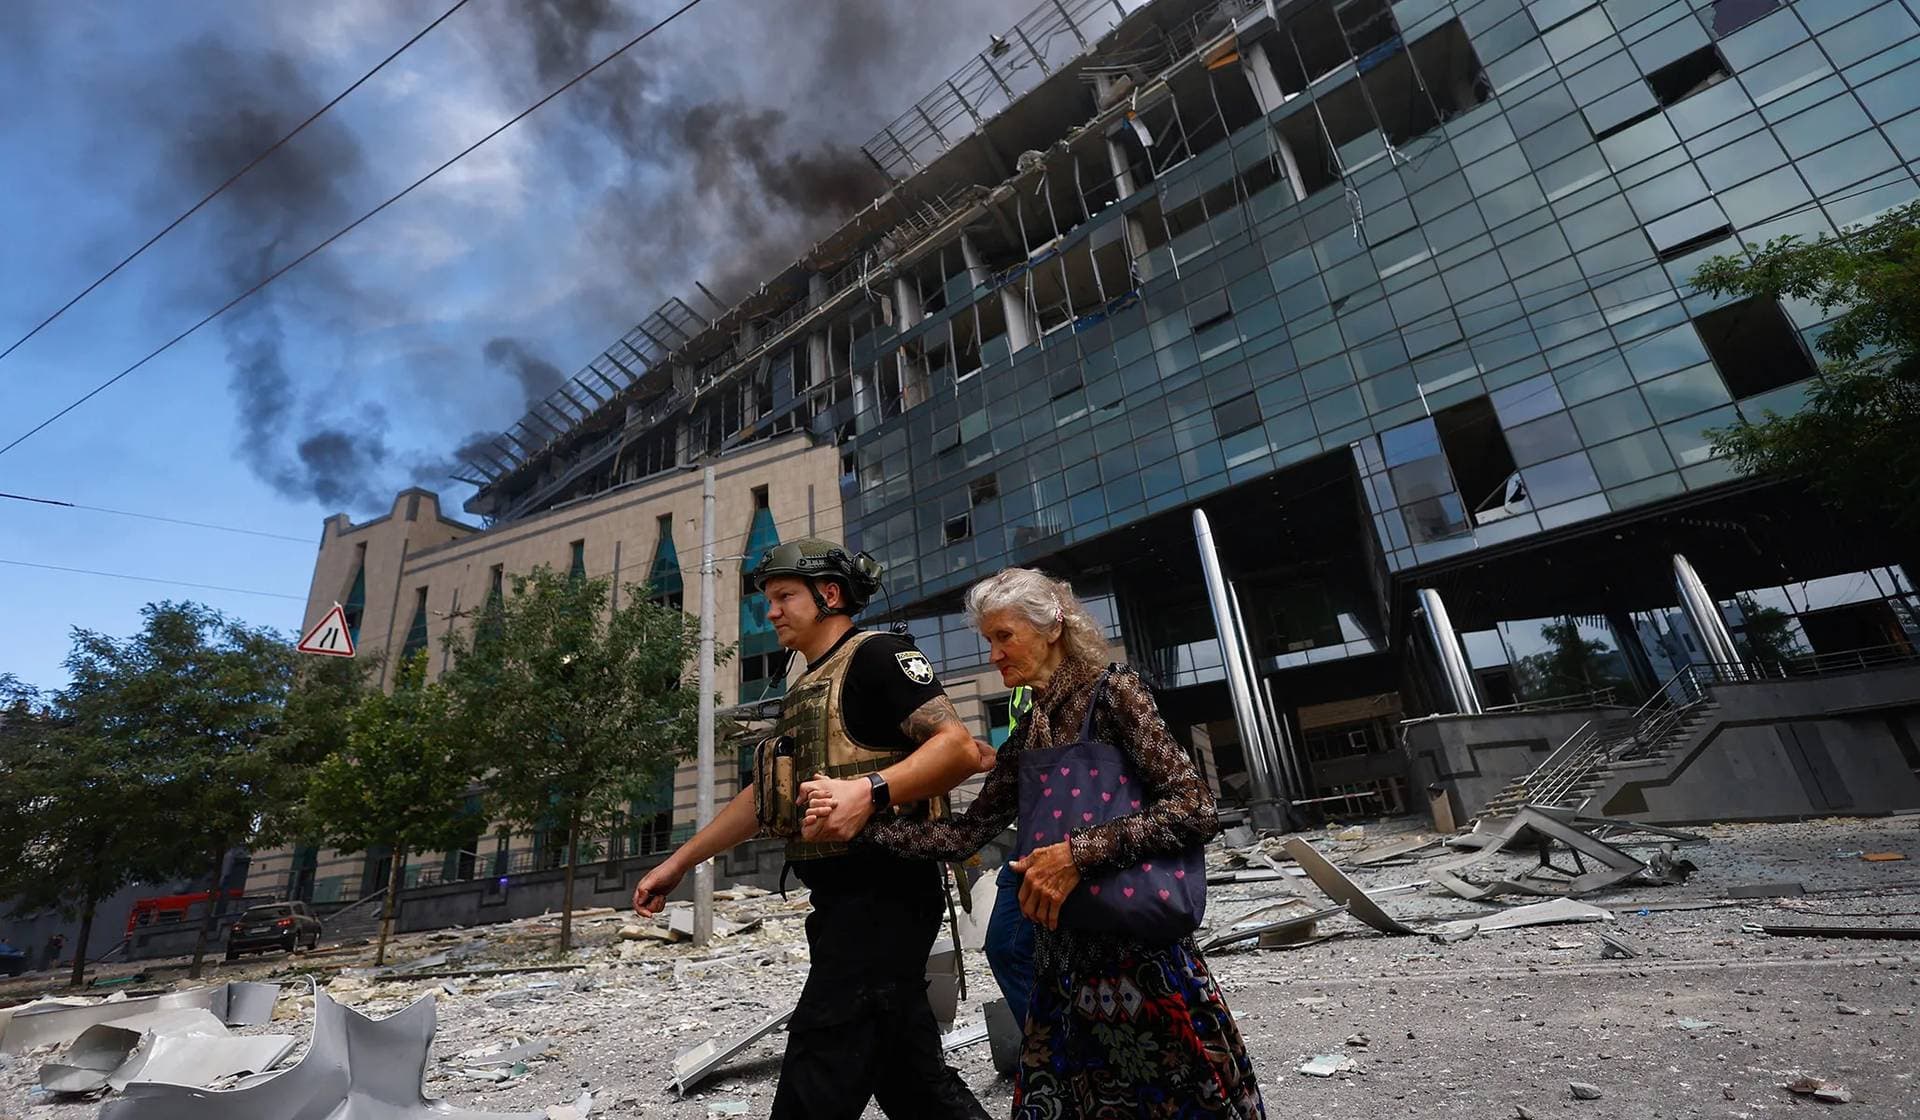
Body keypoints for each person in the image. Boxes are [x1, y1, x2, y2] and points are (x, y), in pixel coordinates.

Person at [806, 568, 1265, 1119]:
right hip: (1063, 969)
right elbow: (962, 836)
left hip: (1137, 957)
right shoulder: (1027, 733)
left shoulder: (1114, 691)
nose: (995, 654)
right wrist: (863, 821)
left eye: (1004, 636)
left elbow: (1194, 806)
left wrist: (1078, 853)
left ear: (1051, 629)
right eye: (988, 640)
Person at [633, 538, 991, 1120]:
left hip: (884, 894)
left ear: (829, 594)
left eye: (782, 597)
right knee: (911, 1079)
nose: (769, 611)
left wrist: (869, 790)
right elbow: (763, 796)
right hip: (841, 901)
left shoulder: (878, 655)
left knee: (819, 1067)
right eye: (768, 599)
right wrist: (680, 862)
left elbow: (955, 749)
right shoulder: (807, 684)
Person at [982, 687, 1036, 1029]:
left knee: (1010, 948)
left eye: (1004, 637)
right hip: (1029, 838)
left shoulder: (1098, 689)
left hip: (1063, 843)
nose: (993, 656)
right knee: (1007, 947)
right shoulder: (1022, 693)